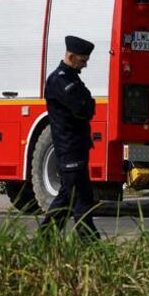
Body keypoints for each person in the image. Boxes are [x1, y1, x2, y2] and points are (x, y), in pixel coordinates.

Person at [40, 35, 100, 239]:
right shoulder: (59, 80)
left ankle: (85, 240)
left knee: (79, 196)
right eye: (82, 60)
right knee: (73, 196)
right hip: (69, 146)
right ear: (72, 56)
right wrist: (86, 105)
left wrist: (87, 105)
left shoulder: (72, 78)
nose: (85, 65)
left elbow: (89, 106)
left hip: (78, 146)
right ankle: (48, 237)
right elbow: (83, 108)